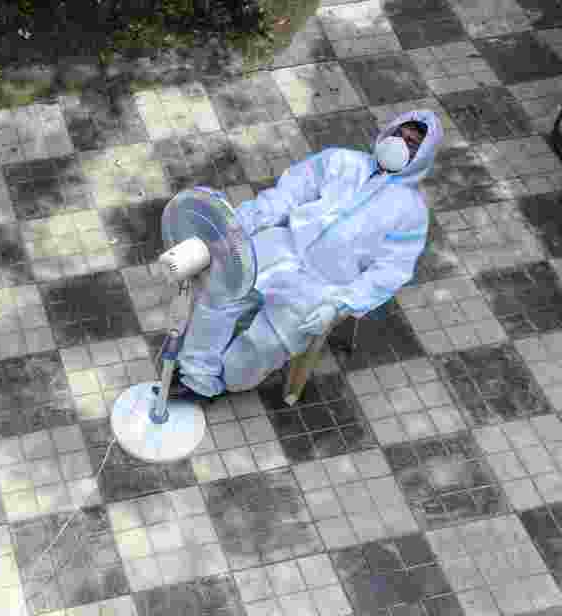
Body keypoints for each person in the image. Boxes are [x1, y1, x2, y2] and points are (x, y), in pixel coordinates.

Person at [170, 109, 443, 399]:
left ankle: (221, 382)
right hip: (285, 245)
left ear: (423, 156)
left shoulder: (411, 213)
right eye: (398, 134)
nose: (400, 143)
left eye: (412, 143)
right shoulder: (340, 161)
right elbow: (286, 195)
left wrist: (340, 305)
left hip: (326, 284)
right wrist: (237, 224)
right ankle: (195, 373)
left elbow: (389, 271)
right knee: (221, 289)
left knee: (267, 341)